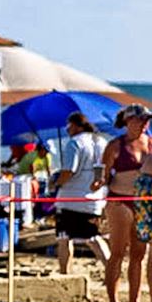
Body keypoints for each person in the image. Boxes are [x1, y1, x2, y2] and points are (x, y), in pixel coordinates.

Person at [99, 105, 152, 302]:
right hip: (120, 200)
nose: (144, 124)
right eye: (140, 120)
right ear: (128, 121)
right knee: (117, 252)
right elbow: (104, 176)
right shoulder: (115, 146)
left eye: (146, 120)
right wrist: (98, 183)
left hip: (143, 202)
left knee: (138, 253)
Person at [48, 111, 106, 278]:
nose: (67, 129)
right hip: (94, 198)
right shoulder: (101, 141)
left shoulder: (74, 144)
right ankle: (110, 269)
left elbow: (68, 172)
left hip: (71, 198)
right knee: (94, 237)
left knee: (64, 237)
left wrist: (55, 183)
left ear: (77, 125)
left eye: (70, 125)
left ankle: (65, 273)